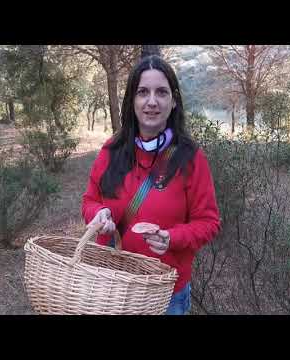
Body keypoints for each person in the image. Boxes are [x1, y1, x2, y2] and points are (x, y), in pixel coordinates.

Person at [81, 55, 220, 315]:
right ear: (132, 100)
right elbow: (90, 201)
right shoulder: (112, 150)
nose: (152, 101)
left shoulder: (190, 157)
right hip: (112, 287)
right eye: (143, 92)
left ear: (174, 101)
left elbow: (209, 222)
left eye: (162, 92)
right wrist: (97, 215)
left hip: (165, 296)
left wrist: (172, 238)